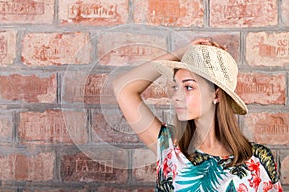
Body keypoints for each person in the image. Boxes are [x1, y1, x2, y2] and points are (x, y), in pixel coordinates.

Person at [113, 38, 283, 191]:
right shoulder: (170, 146)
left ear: (216, 95)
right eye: (175, 87)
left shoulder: (258, 159)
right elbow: (123, 89)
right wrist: (180, 53)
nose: (176, 97)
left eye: (188, 87)